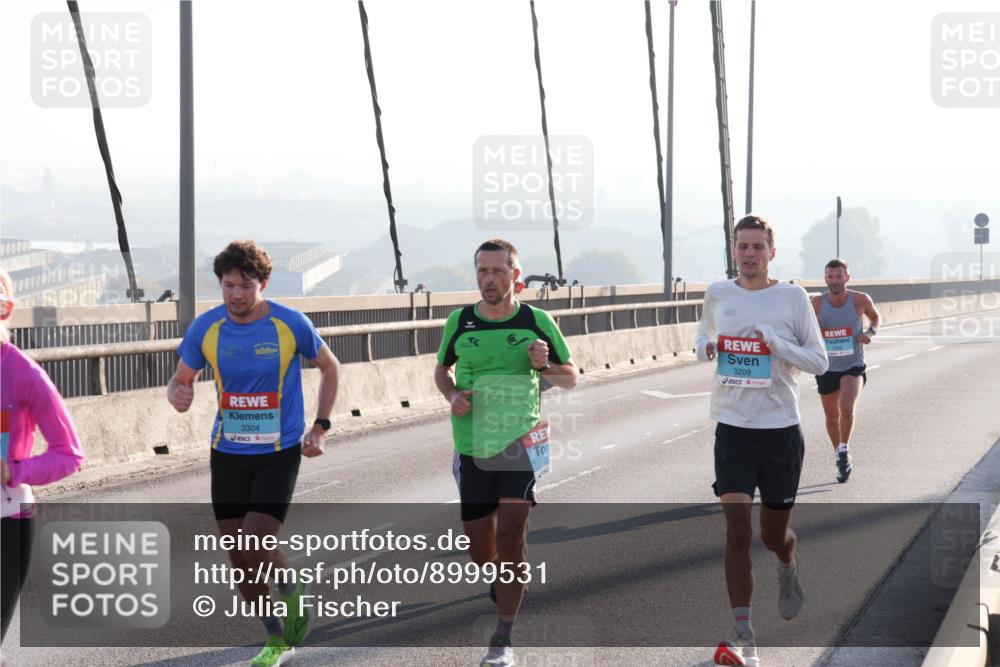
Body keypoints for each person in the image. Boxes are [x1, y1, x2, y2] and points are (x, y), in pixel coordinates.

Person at [167, 241, 340, 667]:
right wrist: (179, 394)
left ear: (261, 284)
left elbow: (331, 367)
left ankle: (291, 588)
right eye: (228, 286)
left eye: (245, 286)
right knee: (239, 556)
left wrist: (320, 425)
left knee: (256, 539)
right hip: (227, 451)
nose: (235, 295)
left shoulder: (289, 323)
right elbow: (179, 379)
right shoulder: (206, 328)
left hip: (278, 450)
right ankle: (275, 638)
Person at [434, 239, 577, 667]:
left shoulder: (536, 320)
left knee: (513, 536)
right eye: (482, 271)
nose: (489, 279)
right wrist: (453, 394)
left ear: (516, 275)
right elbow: (441, 370)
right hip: (472, 446)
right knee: (484, 552)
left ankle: (502, 641)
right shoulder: (460, 322)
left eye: (498, 271)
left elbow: (570, 377)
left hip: (519, 441)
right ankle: (503, 578)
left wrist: (542, 365)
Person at [695, 216, 828, 667]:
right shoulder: (719, 293)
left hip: (780, 432)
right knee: (736, 529)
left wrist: (774, 342)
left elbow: (820, 362)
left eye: (757, 246)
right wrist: (706, 347)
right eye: (741, 246)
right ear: (734, 250)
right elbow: (703, 334)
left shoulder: (791, 298)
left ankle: (788, 561)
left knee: (772, 536)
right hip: (732, 428)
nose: (749, 254)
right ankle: (745, 639)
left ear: (772, 252)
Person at [0, 269, 84, 643]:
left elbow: (69, 454)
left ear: (5, 310)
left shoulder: (24, 374)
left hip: (7, 519)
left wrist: (14, 470)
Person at [810, 258, 880, 483]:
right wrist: (816, 332)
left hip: (853, 364)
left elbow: (876, 318)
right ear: (825, 279)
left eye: (839, 276)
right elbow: (806, 329)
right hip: (827, 367)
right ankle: (839, 455)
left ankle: (843, 449)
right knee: (832, 416)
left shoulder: (860, 299)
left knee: (846, 407)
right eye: (830, 277)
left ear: (847, 278)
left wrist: (870, 333)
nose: (835, 281)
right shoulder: (817, 303)